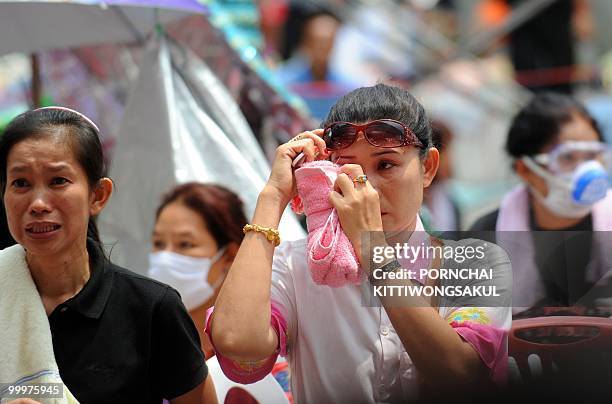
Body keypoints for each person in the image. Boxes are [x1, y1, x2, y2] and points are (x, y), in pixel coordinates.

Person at [208, 84, 512, 403]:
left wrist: (374, 252)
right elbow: (236, 342)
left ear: (428, 168)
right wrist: (272, 197)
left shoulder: (477, 262)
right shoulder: (295, 266)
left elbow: (463, 378)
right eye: (346, 167)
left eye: (386, 165)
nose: (366, 190)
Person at [0, 107, 216, 403]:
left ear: (98, 195)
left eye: (58, 180)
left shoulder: (152, 309)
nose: (37, 203)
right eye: (21, 183)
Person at [470, 93, 612, 313]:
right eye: (567, 158)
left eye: (592, 156)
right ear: (525, 169)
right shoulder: (486, 237)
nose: (586, 170)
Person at [148, 182, 246, 357]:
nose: (165, 259)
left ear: (230, 255)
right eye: (159, 243)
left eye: (185, 244)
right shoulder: (139, 344)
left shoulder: (258, 348)